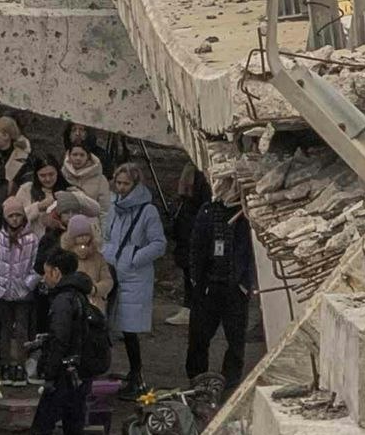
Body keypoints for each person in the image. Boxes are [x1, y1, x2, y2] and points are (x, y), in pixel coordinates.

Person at [27, 242, 101, 435]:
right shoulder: (81, 296)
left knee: (41, 428)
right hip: (81, 374)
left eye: (46, 272)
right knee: (74, 428)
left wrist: (48, 373)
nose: (44, 278)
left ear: (56, 272)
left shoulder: (62, 300)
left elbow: (60, 338)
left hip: (63, 375)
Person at [174, 170, 253, 388]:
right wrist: (197, 281)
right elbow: (196, 248)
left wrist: (243, 285)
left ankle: (230, 385)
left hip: (235, 288)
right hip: (208, 286)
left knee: (236, 341)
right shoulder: (208, 211)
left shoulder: (246, 214)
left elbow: (250, 253)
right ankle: (197, 382)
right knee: (198, 338)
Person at [98, 158, 167, 381]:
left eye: (126, 184)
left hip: (135, 275)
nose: (121, 187)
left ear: (135, 185)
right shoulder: (114, 206)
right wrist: (107, 254)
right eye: (118, 183)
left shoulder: (148, 211)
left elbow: (159, 244)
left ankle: (137, 373)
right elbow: (107, 235)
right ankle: (125, 372)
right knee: (112, 324)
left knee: (130, 329)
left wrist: (134, 257)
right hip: (113, 270)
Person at [0, 194, 45, 373]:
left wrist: (28, 284)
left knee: (22, 329)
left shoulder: (32, 239)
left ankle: (20, 364)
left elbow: (37, 264)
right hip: (3, 291)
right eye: (11, 216)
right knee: (4, 329)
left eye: (18, 215)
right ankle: (6, 362)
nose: (14, 219)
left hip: (23, 293)